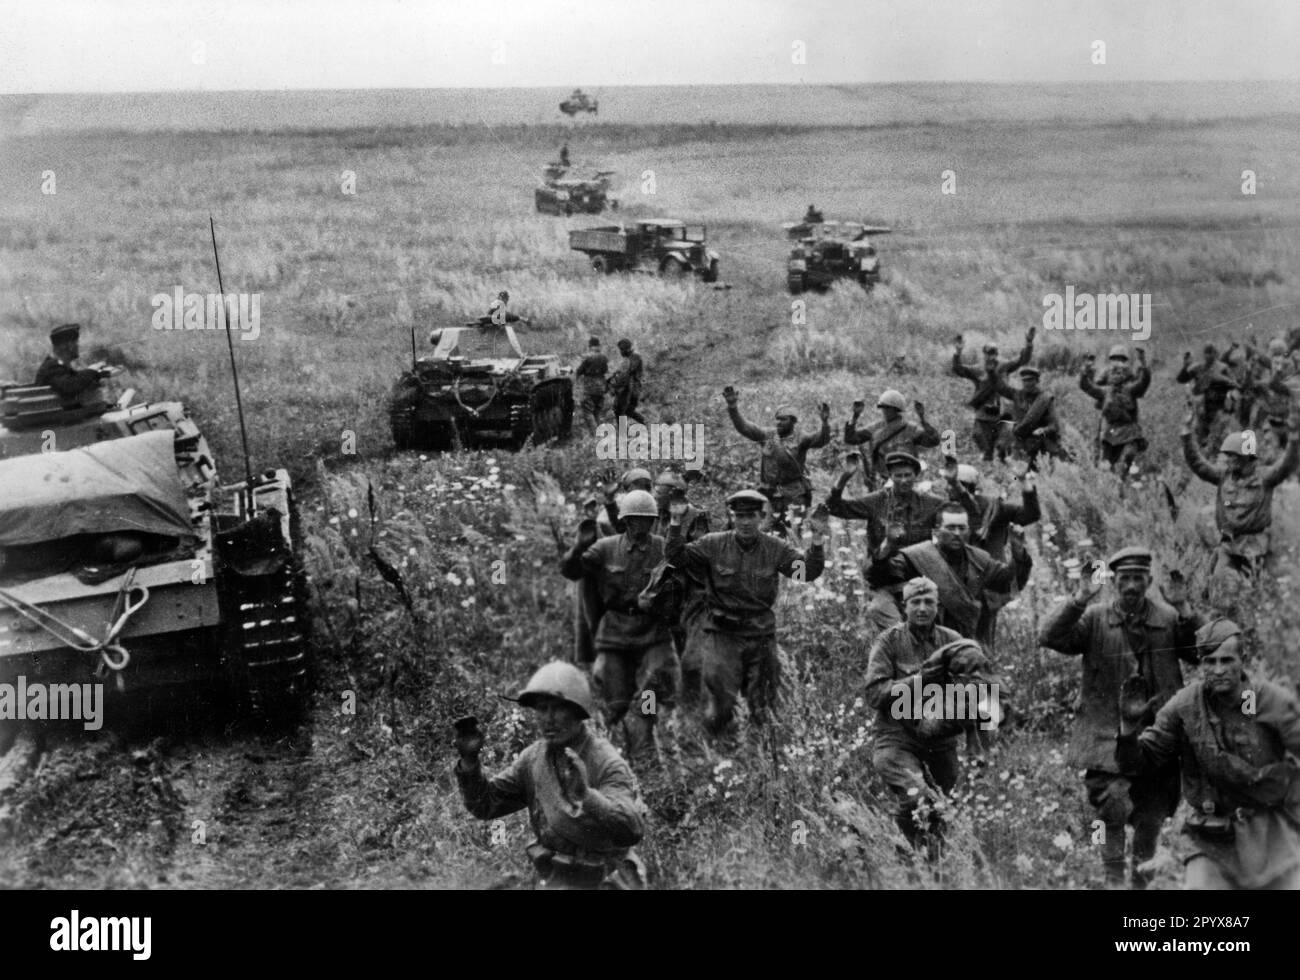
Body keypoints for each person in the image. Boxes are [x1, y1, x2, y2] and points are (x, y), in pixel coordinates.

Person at [1038, 546, 1202, 888]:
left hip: (1158, 739)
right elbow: (1049, 636)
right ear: (1113, 582)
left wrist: (1185, 607)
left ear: (1149, 580)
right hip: (1105, 739)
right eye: (1124, 578)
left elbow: (1204, 653)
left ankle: (1142, 881)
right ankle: (1110, 876)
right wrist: (1079, 597)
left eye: (1138, 578)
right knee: (1108, 812)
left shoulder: (1168, 618)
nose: (1130, 586)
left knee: (1152, 818)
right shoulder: (1095, 617)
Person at [1116, 619, 1300, 890]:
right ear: (1200, 664)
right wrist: (1128, 728)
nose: (1218, 670)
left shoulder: (1269, 700)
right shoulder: (1187, 704)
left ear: (1243, 659)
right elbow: (1139, 762)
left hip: (1269, 837)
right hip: (1210, 838)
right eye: (1209, 661)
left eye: (1227, 661)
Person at [453, 661, 646, 889]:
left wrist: (586, 795)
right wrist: (469, 761)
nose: (549, 718)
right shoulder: (532, 759)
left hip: (605, 880)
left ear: (577, 712)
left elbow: (632, 828)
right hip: (558, 878)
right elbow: (485, 804)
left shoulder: (606, 760)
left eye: (558, 708)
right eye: (542, 709)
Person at [665, 489, 825, 736]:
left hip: (760, 634)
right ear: (733, 517)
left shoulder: (775, 548)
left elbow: (806, 572)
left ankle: (759, 752)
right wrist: (675, 522)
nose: (746, 522)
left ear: (761, 517)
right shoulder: (714, 544)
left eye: (751, 516)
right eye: (740, 516)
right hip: (722, 634)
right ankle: (715, 746)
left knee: (763, 704)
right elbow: (676, 557)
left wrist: (816, 540)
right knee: (722, 703)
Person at [560, 490, 678, 768]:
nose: (642, 526)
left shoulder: (663, 548)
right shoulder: (606, 548)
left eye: (647, 520)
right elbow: (572, 571)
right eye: (635, 520)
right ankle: (623, 758)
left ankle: (645, 743)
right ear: (624, 521)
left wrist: (661, 603)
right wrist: (578, 547)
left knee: (655, 684)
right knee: (617, 705)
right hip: (615, 635)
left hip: (653, 634)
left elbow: (683, 584)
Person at [863, 577, 971, 856]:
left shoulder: (953, 642)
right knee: (918, 797)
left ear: (938, 606)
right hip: (896, 740)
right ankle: (904, 853)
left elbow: (973, 692)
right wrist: (919, 681)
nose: (922, 608)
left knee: (945, 811)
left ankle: (929, 865)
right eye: (915, 602)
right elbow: (875, 694)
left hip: (940, 741)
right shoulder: (889, 641)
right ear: (904, 606)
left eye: (929, 602)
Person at [869, 501, 1031, 653]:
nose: (957, 534)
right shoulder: (918, 555)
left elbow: (1009, 582)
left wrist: (1018, 552)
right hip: (925, 642)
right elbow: (879, 577)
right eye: (951, 528)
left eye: (962, 528)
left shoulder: (980, 559)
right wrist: (888, 544)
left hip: (966, 644)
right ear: (936, 531)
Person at [827, 450, 947, 631]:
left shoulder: (931, 503)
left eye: (908, 475)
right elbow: (835, 507)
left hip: (919, 579)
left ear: (916, 476)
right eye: (898, 476)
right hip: (884, 580)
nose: (904, 480)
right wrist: (845, 477)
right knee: (884, 615)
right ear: (890, 477)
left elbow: (956, 519)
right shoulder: (877, 501)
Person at [1181, 405, 1300, 583]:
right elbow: (1198, 464)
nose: (1228, 460)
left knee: (1257, 588)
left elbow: (1286, 464)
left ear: (1247, 456)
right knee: (1219, 584)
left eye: (1233, 455)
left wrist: (1294, 437)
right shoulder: (1223, 476)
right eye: (1228, 455)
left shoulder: (1265, 477)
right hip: (1228, 546)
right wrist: (1186, 433)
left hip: (1256, 547)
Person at [723, 387, 830, 532]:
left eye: (783, 419)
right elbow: (745, 427)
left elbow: (821, 440)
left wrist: (825, 423)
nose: (779, 422)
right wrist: (733, 407)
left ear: (793, 421)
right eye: (777, 419)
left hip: (794, 495)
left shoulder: (801, 438)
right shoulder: (768, 435)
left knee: (795, 531)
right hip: (769, 494)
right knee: (764, 531)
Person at [651, 470, 710, 706]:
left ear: (675, 494)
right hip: (665, 592)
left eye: (660, 492)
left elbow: (699, 555)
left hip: (692, 592)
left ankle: (694, 700)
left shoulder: (697, 516)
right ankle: (668, 701)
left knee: (692, 656)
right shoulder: (658, 516)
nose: (655, 496)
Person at [950, 327, 1035, 461]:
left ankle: (1003, 465)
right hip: (983, 413)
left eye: (994, 353)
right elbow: (958, 369)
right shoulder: (978, 369)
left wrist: (1029, 343)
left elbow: (1022, 360)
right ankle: (988, 460)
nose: (991, 357)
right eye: (988, 354)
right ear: (983, 354)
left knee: (1003, 446)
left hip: (1002, 413)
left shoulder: (1004, 366)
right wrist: (958, 352)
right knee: (979, 437)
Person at [844, 390, 940, 489]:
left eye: (888, 408)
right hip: (881, 481)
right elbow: (851, 439)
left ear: (896, 409)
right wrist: (855, 416)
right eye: (883, 408)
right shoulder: (875, 428)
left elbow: (933, 441)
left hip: (905, 480)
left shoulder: (911, 429)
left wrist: (922, 418)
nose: (884, 411)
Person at [1080, 345, 1151, 478]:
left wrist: (1143, 364)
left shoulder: (1131, 385)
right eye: (1115, 360)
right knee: (1105, 460)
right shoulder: (1105, 385)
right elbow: (1088, 386)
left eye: (1121, 360)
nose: (1118, 365)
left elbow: (1143, 382)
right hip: (1110, 426)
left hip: (1128, 427)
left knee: (1128, 456)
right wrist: (1086, 369)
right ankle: (1109, 481)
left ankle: (1122, 477)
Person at [1177, 344, 1238, 451]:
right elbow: (1181, 379)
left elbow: (1234, 386)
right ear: (1203, 354)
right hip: (1202, 411)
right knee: (1201, 441)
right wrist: (1185, 366)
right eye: (1206, 352)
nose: (1208, 355)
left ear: (1215, 353)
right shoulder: (1198, 368)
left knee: (1219, 441)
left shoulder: (1222, 368)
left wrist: (1229, 403)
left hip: (1219, 410)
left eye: (1211, 352)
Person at [35, 323, 111, 405]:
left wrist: (96, 377)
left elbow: (73, 380)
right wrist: (91, 371)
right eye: (76, 343)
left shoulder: (56, 365)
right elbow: (70, 386)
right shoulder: (52, 367)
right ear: (68, 346)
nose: (78, 346)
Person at [574, 337, 609, 434]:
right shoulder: (603, 357)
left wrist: (576, 381)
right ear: (598, 345)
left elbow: (579, 371)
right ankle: (600, 434)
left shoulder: (587, 357)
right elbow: (605, 371)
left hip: (590, 387)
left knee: (587, 411)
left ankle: (596, 435)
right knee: (597, 411)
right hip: (601, 386)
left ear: (590, 345)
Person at [609, 339, 645, 424]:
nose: (620, 352)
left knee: (621, 411)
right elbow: (620, 372)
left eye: (621, 350)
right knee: (625, 411)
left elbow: (625, 374)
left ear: (626, 349)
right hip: (628, 388)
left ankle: (624, 434)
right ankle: (645, 424)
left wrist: (615, 386)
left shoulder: (634, 357)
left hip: (631, 389)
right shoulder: (630, 357)